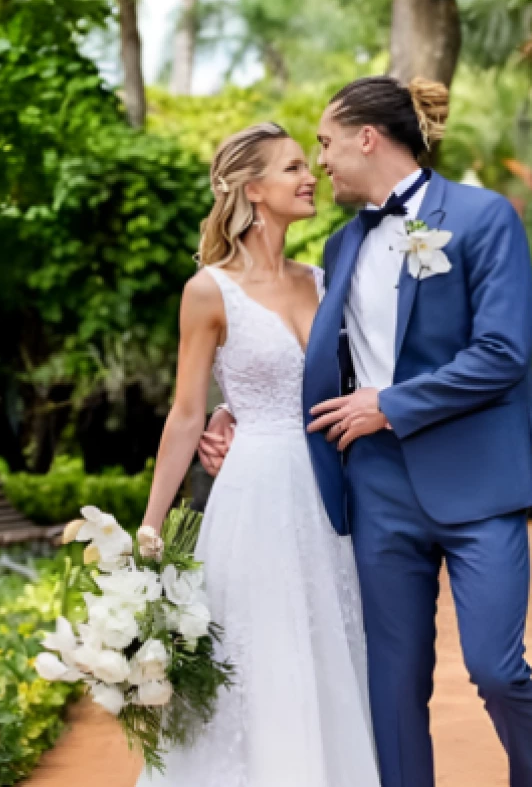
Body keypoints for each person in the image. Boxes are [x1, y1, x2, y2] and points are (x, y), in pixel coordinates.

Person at [201, 76, 532, 787]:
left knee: (495, 665)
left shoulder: (486, 217)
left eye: (327, 143)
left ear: (369, 138)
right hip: (376, 488)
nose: (321, 160)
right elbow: (307, 351)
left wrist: (388, 404)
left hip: (479, 480)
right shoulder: (339, 246)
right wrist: (233, 407)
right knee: (392, 685)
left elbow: (502, 354)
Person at [133, 122, 379, 787]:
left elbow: (352, 382)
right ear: (252, 190)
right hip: (255, 496)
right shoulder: (209, 290)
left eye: (309, 163)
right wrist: (152, 525)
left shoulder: (328, 278)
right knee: (261, 659)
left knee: (329, 648)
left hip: (330, 492)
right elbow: (186, 413)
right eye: (293, 167)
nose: (310, 177)